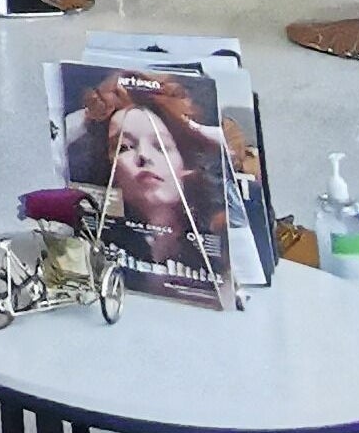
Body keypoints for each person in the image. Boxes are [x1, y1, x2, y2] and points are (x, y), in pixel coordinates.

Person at [57, 69, 230, 279]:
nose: (144, 156)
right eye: (125, 147)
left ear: (186, 167)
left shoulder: (219, 238)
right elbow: (53, 155)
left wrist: (192, 128)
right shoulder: (96, 240)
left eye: (161, 147)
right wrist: (88, 116)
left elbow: (231, 149)